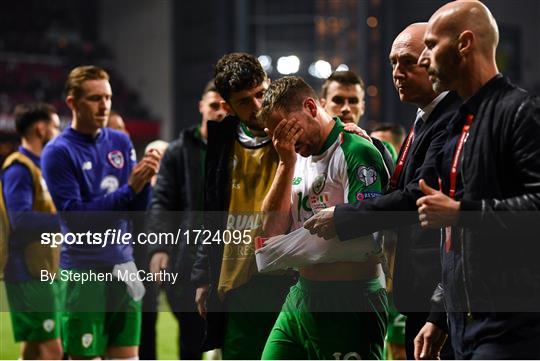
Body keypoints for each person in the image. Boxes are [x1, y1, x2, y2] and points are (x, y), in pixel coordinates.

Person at [304, 22, 460, 359]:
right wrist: (372, 146)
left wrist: (344, 217)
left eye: (407, 62)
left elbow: (417, 196)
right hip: (420, 290)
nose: (397, 73)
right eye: (393, 63)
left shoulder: (451, 119)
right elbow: (402, 186)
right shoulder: (425, 117)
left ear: (435, 61)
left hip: (440, 290)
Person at [415, 1, 540, 359]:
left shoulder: (520, 111)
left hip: (511, 330)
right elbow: (456, 241)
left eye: (431, 45)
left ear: (465, 43)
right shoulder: (457, 125)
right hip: (462, 327)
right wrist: (439, 315)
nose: (424, 60)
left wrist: (460, 212)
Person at [258, 75, 389, 359]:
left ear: (310, 106)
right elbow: (269, 234)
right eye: (275, 134)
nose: (283, 140)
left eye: (286, 129)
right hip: (301, 295)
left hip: (350, 299)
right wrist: (285, 162)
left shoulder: (356, 150)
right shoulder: (294, 156)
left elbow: (369, 237)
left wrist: (286, 248)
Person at [42, 65, 162, 359]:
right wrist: (130, 189)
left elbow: (136, 210)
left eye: (107, 97)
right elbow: (76, 219)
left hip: (123, 265)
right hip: (83, 270)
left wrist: (145, 180)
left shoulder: (119, 141)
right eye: (95, 98)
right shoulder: (58, 151)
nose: (104, 105)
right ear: (72, 102)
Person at [190, 53, 297, 359]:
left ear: (270, 85)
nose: (257, 107)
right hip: (238, 281)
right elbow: (210, 211)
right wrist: (202, 277)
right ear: (227, 106)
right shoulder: (221, 138)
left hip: (289, 274)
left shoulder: (296, 129)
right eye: (244, 101)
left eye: (260, 94)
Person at [147, 80, 226, 360]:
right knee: (191, 342)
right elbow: (162, 201)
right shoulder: (178, 151)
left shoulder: (242, 149)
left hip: (232, 260)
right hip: (188, 261)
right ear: (201, 106)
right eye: (214, 105)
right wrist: (159, 247)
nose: (219, 112)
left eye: (225, 107)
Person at [1, 102, 62, 359]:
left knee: (35, 347)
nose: (59, 133)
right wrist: (66, 220)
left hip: (44, 269)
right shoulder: (19, 168)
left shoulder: (41, 166)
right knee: (54, 350)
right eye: (56, 127)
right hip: (27, 272)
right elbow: (21, 220)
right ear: (41, 129)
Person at [321, 70, 396, 181]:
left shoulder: (382, 148)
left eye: (353, 101)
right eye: (338, 100)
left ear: (362, 107)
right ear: (323, 105)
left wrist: (372, 149)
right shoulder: (305, 151)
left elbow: (395, 188)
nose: (346, 108)